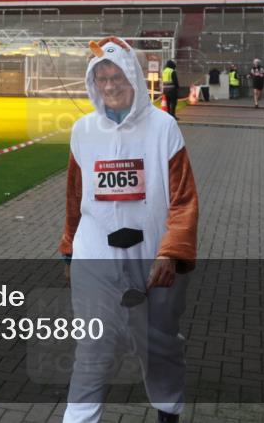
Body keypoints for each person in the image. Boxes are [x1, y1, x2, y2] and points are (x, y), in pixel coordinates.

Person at [60, 36, 198, 423]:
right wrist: (70, 250)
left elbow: (184, 198)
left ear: (134, 78)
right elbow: (75, 196)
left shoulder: (164, 127)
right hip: (96, 257)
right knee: (93, 347)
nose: (109, 86)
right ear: (92, 84)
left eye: (116, 76)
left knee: (157, 345)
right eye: (101, 78)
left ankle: (167, 408)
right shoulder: (82, 131)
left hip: (152, 257)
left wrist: (172, 251)